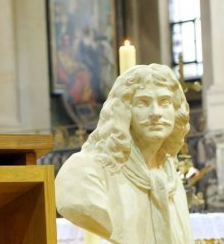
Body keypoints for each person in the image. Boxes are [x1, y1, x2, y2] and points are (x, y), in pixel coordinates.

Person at [55, 64, 194, 244]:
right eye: (143, 103)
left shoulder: (170, 179)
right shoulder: (85, 170)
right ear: (124, 111)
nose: (155, 113)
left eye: (165, 102)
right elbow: (76, 204)